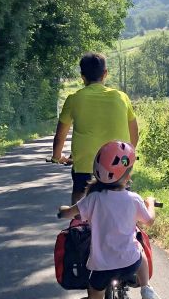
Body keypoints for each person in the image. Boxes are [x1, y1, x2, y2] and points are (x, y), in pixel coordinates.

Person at [58, 140, 160, 299]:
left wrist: (63, 211)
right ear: (128, 174)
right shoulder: (133, 199)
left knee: (95, 297)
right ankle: (146, 289)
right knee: (139, 246)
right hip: (130, 263)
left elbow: (70, 214)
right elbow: (149, 221)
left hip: (102, 267)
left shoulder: (93, 199)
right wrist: (149, 202)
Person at [52, 52, 138, 203]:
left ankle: (77, 222)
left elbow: (60, 136)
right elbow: (134, 134)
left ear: (82, 76)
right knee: (124, 201)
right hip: (119, 165)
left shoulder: (74, 99)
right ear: (105, 74)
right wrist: (128, 156)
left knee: (79, 195)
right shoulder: (122, 97)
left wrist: (57, 156)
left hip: (86, 165)